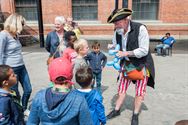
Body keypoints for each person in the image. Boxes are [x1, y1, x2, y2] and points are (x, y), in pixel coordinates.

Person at [106, 8, 155, 125]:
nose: (115, 25)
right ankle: (117, 110)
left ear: (126, 19)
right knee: (122, 88)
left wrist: (126, 53)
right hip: (126, 64)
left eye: (117, 22)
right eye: (114, 23)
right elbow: (118, 44)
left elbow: (144, 50)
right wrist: (113, 46)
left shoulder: (141, 29)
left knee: (139, 91)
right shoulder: (117, 30)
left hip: (141, 65)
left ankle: (135, 114)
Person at [27, 57, 93, 125]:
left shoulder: (39, 96)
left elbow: (31, 122)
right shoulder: (79, 99)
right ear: (71, 76)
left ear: (50, 78)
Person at [0, 13, 32, 115]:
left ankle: (24, 108)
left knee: (28, 89)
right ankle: (17, 112)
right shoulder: (3, 35)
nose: (23, 26)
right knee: (15, 94)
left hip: (21, 66)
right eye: (22, 24)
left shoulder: (16, 35)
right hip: (10, 69)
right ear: (16, 23)